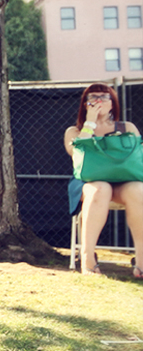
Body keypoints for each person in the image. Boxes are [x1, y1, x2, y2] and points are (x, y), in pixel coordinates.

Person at [63, 83, 143, 276]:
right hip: (88, 181)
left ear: (112, 103)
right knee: (100, 188)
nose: (98, 100)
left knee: (138, 190)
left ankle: (141, 260)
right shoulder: (74, 131)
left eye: (103, 96)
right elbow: (75, 152)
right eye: (92, 97)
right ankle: (88, 259)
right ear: (85, 104)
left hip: (124, 180)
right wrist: (90, 123)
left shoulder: (127, 127)